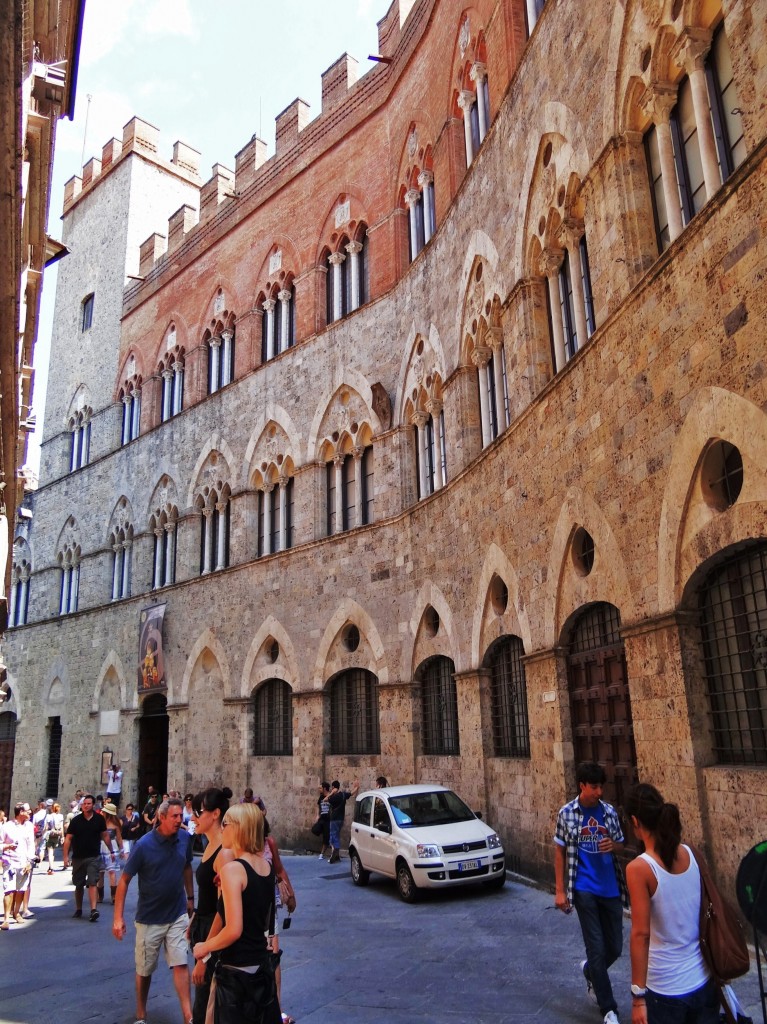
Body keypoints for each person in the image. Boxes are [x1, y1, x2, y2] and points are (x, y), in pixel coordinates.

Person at [625, 783, 719, 1024]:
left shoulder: (640, 869)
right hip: (704, 979)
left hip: (666, 989)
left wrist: (638, 998)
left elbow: (641, 935)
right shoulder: (691, 853)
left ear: (635, 822)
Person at [192, 803, 280, 1024]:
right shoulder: (266, 867)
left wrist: (205, 947)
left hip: (236, 974)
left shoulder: (233, 870)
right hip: (261, 969)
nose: (222, 829)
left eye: (226, 824)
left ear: (240, 828)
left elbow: (233, 929)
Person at [554, 762, 626, 1024]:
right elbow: (560, 851)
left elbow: (620, 843)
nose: (599, 791)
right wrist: (560, 890)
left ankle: (590, 971)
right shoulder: (567, 813)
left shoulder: (608, 812)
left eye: (600, 786)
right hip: (584, 888)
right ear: (582, 785)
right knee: (596, 948)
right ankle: (609, 1009)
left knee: (615, 948)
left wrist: (613, 846)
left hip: (610, 888)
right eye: (594, 786)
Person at [113, 797, 194, 1024]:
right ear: (161, 817)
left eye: (181, 816)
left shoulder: (184, 839)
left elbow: (187, 867)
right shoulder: (144, 845)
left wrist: (190, 898)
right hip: (150, 917)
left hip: (177, 913)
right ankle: (141, 1013)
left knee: (180, 962)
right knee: (145, 969)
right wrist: (118, 918)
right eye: (175, 817)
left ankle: (188, 1016)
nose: (180, 821)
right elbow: (124, 880)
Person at [189, 786, 234, 1024]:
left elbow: (223, 908)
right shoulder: (208, 846)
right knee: (203, 1001)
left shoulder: (223, 854)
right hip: (203, 928)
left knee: (207, 1006)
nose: (193, 818)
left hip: (213, 935)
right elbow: (206, 895)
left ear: (215, 814)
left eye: (199, 812)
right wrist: (194, 919)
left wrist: (203, 956)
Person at [62, 794, 110, 921]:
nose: (86, 805)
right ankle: (79, 909)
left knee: (93, 882)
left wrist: (111, 850)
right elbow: (68, 839)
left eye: (88, 803)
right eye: (84, 804)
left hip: (93, 856)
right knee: (79, 884)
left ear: (93, 805)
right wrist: (65, 857)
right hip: (78, 856)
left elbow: (105, 835)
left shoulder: (99, 819)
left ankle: (93, 910)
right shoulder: (76, 820)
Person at [1, 803, 35, 928]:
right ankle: (6, 918)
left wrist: (30, 861)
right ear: (20, 812)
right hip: (9, 862)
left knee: (21, 890)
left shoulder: (29, 826)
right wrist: (7, 846)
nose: (30, 812)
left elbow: (31, 844)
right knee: (8, 890)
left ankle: (16, 913)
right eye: (27, 811)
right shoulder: (6, 827)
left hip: (24, 862)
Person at [327, 779, 358, 864]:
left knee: (333, 836)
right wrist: (357, 787)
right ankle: (337, 855)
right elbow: (352, 793)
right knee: (336, 835)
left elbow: (325, 799)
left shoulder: (333, 797)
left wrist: (331, 793)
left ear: (333, 787)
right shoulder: (343, 795)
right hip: (341, 819)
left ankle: (335, 852)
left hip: (334, 819)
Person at [42, 801, 65, 874]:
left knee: (50, 852)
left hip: (50, 834)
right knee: (53, 851)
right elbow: (61, 827)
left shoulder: (49, 816)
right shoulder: (60, 816)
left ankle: (51, 868)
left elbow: (46, 827)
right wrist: (62, 836)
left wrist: (43, 834)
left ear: (52, 808)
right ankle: (50, 866)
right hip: (57, 835)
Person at [314, 782, 331, 861]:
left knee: (326, 837)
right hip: (322, 818)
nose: (319, 789)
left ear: (324, 788)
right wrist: (317, 815)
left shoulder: (330, 796)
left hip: (328, 820)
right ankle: (328, 844)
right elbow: (318, 806)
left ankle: (322, 853)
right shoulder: (321, 797)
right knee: (315, 830)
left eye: (321, 788)